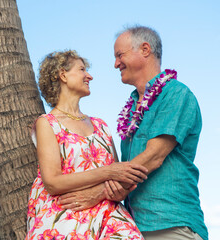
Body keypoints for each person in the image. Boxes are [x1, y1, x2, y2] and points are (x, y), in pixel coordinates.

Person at [59, 26, 208, 240]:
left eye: (120, 55)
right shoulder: (131, 107)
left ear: (145, 49)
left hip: (170, 223)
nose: (116, 63)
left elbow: (153, 157)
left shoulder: (176, 93)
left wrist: (98, 194)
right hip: (132, 227)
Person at [25, 50, 147, 240]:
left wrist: (117, 190)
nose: (89, 76)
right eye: (82, 69)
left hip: (108, 216)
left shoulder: (101, 125)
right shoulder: (47, 123)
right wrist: (108, 172)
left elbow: (118, 178)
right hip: (64, 215)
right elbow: (52, 182)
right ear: (62, 75)